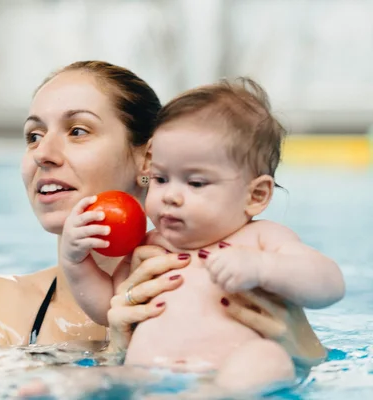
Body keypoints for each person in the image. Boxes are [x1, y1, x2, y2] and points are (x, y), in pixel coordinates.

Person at [0, 61, 329, 371]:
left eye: (77, 131)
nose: (42, 153)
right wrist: (115, 356)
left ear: (147, 159)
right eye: (33, 136)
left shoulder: (252, 294)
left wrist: (303, 355)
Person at [59, 77, 345, 394]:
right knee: (84, 380)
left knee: (268, 359)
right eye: (161, 178)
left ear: (256, 196)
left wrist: (262, 268)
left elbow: (329, 284)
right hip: (146, 371)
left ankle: (217, 393)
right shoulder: (150, 247)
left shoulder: (261, 239)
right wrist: (76, 261)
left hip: (225, 374)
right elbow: (107, 307)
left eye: (195, 183)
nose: (171, 196)